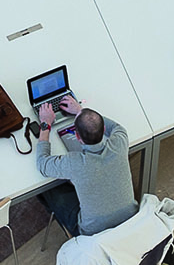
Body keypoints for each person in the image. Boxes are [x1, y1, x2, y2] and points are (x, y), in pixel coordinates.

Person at [35, 94, 138, 238]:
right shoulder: (120, 143)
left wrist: (45, 124)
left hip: (93, 235)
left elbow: (42, 164)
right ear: (103, 129)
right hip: (131, 219)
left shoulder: (74, 163)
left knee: (46, 190)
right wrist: (80, 110)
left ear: (77, 137)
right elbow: (116, 127)